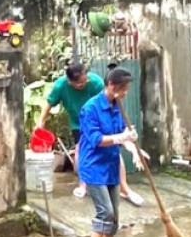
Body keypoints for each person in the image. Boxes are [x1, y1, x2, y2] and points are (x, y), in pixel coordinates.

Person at [35, 61, 144, 206]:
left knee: (113, 151)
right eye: (79, 84)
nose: (83, 84)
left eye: (85, 81)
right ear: (69, 81)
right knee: (82, 150)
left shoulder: (96, 83)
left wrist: (132, 146)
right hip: (79, 123)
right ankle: (83, 184)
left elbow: (110, 103)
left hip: (101, 122)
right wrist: (41, 122)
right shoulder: (61, 86)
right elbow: (48, 104)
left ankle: (125, 188)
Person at [79, 67, 138, 237]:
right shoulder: (91, 108)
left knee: (115, 214)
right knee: (105, 212)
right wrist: (121, 138)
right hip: (94, 165)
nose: (125, 93)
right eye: (124, 89)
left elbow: (122, 134)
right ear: (112, 86)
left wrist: (133, 149)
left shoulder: (117, 106)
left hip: (111, 164)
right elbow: (96, 139)